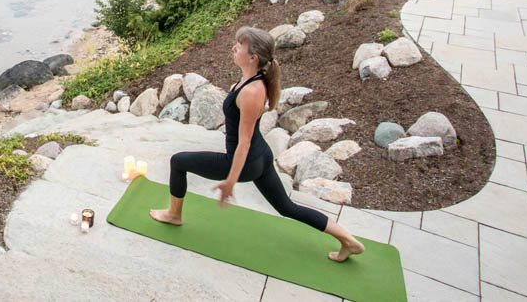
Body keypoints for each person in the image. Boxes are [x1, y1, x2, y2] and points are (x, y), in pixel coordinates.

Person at [149, 26, 365, 262]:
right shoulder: (254, 77)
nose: (233, 47)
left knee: (178, 162)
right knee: (286, 207)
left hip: (246, 159)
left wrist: (231, 180)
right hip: (260, 155)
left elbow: (244, 143)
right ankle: (348, 240)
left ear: (253, 57)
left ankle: (173, 214)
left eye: (239, 46)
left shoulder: (252, 91)